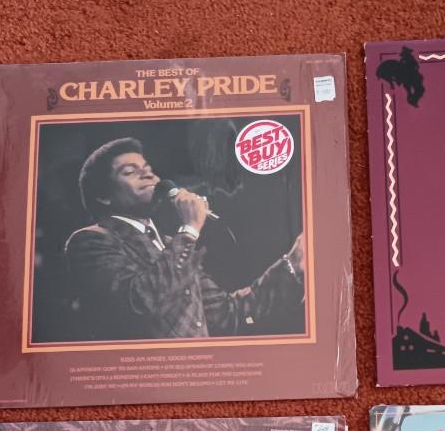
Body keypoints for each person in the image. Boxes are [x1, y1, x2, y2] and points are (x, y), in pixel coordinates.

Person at [65, 138, 305, 341]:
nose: (148, 174)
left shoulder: (174, 245)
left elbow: (227, 315)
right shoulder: (90, 240)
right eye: (129, 172)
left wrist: (293, 266)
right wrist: (189, 229)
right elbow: (138, 302)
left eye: (148, 168)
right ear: (103, 196)